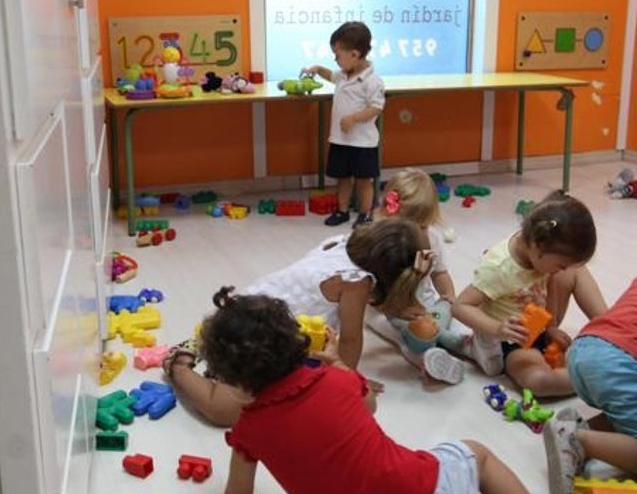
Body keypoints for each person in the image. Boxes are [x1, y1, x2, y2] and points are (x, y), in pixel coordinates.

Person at [201, 290, 532, 494]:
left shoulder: (250, 430)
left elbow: (238, 491)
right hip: (418, 485)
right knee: (476, 453)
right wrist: (339, 363)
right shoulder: (335, 381)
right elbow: (369, 404)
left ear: (235, 378)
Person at [164, 218, 430, 427]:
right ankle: (179, 364)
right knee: (226, 410)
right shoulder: (356, 282)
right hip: (257, 335)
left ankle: (204, 343)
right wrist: (349, 381)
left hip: (249, 309)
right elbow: (350, 339)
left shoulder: (343, 243)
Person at [542, 226, 637, 494]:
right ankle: (577, 441)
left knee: (634, 410)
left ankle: (576, 425)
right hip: (619, 365)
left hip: (585, 348)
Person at [451, 191, 608, 397]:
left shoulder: (542, 253)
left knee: (575, 270)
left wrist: (550, 327)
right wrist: (498, 328)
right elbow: (460, 306)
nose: (562, 270)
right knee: (538, 382)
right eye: (560, 265)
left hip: (542, 322)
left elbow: (555, 279)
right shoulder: (499, 267)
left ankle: (610, 331)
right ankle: (597, 379)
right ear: (537, 246)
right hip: (514, 340)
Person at [368, 167, 470, 385]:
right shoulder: (380, 243)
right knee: (406, 335)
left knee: (449, 319)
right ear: (390, 213)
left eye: (423, 226)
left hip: (427, 303)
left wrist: (448, 295)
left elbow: (440, 273)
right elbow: (372, 294)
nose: (418, 234)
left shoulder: (432, 238)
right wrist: (399, 311)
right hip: (387, 310)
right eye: (410, 228)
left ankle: (469, 347)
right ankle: (426, 359)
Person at [301, 21, 385, 228]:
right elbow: (330, 75)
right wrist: (318, 69)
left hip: (363, 143)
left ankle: (365, 214)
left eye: (337, 54)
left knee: (364, 181)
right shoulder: (343, 75)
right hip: (341, 140)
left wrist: (354, 118)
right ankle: (342, 210)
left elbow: (376, 107)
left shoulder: (372, 81)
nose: (335, 59)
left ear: (354, 55)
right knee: (343, 178)